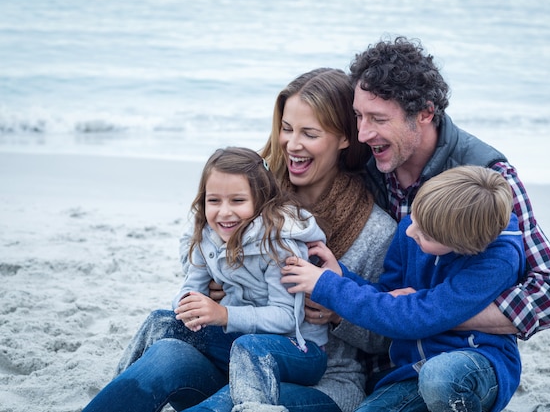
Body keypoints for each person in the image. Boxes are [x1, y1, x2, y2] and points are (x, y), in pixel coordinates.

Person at [84, 68, 397, 412]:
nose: (292, 144)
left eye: (309, 133)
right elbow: (197, 244)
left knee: (223, 404)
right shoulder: (251, 190)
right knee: (166, 355)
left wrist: (340, 309)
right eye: (287, 129)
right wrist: (219, 283)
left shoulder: (375, 229)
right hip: (231, 355)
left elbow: (386, 340)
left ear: (344, 138)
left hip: (321, 379)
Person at [350, 36, 550, 341]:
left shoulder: (488, 177)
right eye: (358, 116)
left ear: (425, 113)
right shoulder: (362, 163)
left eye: (378, 119)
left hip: (458, 359)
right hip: (373, 345)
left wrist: (429, 314)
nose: (363, 133)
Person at [84, 146, 329, 412]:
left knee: (249, 346)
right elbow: (190, 287)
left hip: (297, 350)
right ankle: (120, 391)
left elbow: (287, 318)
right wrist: (190, 305)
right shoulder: (207, 237)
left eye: (237, 201)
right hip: (236, 342)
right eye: (214, 201)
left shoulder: (278, 244)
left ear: (260, 201)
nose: (224, 212)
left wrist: (223, 314)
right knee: (162, 320)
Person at [281, 165, 526, 412]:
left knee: (440, 377)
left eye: (425, 235)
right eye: (415, 218)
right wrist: (341, 275)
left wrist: (327, 286)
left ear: (464, 247)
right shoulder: (414, 227)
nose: (410, 231)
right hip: (413, 369)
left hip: (476, 362)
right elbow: (389, 298)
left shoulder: (497, 262)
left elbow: (416, 316)